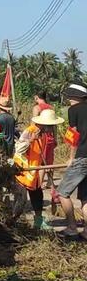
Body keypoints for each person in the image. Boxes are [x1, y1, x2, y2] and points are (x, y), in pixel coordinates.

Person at [14, 109, 64, 230]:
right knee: (20, 199)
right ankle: (12, 223)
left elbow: (40, 154)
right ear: (44, 124)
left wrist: (43, 168)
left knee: (37, 194)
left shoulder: (43, 134)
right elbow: (18, 149)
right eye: (51, 126)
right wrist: (30, 141)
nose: (52, 129)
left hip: (34, 170)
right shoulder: (29, 131)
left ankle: (38, 221)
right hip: (23, 170)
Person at [57, 83, 87, 238]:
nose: (68, 99)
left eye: (69, 96)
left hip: (82, 156)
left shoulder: (73, 110)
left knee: (62, 192)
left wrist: (71, 158)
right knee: (85, 197)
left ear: (76, 96)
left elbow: (73, 136)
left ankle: (71, 227)